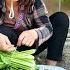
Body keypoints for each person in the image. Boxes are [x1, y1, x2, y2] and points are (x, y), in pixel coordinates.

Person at [0, 0, 69, 65]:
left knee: (60, 19)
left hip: (30, 44)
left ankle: (50, 67)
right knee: (3, 31)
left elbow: (48, 28)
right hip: (6, 46)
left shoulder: (34, 2)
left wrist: (35, 33)